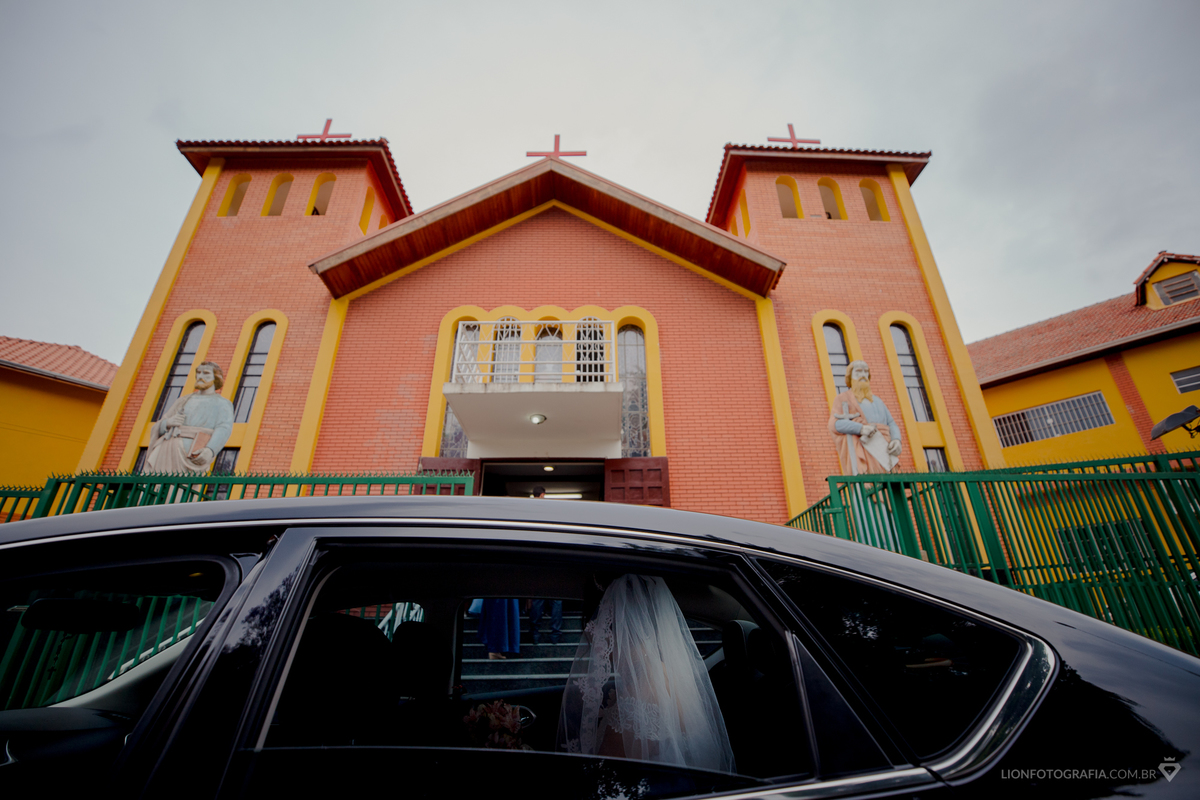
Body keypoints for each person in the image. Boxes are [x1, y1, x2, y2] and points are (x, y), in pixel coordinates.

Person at [557, 574, 736, 774]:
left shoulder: (638, 701)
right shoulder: (665, 673)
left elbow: (603, 783)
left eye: (592, 623)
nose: (590, 635)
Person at [146, 361, 234, 474]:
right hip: (168, 447)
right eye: (198, 373)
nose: (200, 376)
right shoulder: (183, 400)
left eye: (206, 373)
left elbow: (224, 428)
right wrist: (167, 423)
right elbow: (161, 423)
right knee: (156, 485)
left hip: (192, 453)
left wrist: (210, 450)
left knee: (181, 489)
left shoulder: (222, 403)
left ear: (215, 378)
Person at [828, 360, 902, 475]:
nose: (863, 375)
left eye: (865, 372)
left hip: (884, 449)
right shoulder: (843, 399)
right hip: (864, 449)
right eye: (858, 372)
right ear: (850, 377)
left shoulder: (878, 401)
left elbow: (891, 423)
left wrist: (897, 440)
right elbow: (834, 424)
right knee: (868, 487)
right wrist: (861, 428)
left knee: (888, 488)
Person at [528, 486, 563, 644]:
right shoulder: (550, 513)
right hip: (554, 562)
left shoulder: (529, 513)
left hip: (537, 562)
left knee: (538, 599)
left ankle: (535, 633)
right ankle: (555, 634)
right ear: (542, 495)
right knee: (556, 599)